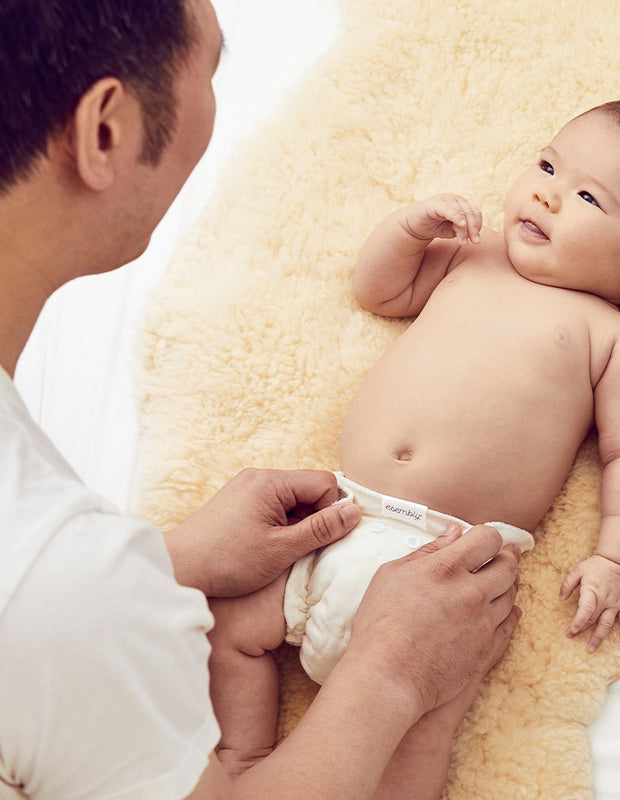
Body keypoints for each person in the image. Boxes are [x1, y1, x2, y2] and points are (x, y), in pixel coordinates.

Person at [0, 1, 523, 799]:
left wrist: (161, 565)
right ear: (106, 132)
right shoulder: (59, 586)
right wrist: (390, 678)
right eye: (213, 69)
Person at [209, 99, 620, 791]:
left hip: (445, 560)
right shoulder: (471, 258)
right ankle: (244, 761)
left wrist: (617, 559)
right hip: (336, 521)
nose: (547, 190)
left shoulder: (609, 340)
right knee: (230, 624)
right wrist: (406, 230)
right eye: (548, 163)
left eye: (585, 196)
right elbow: (379, 292)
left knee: (429, 719)